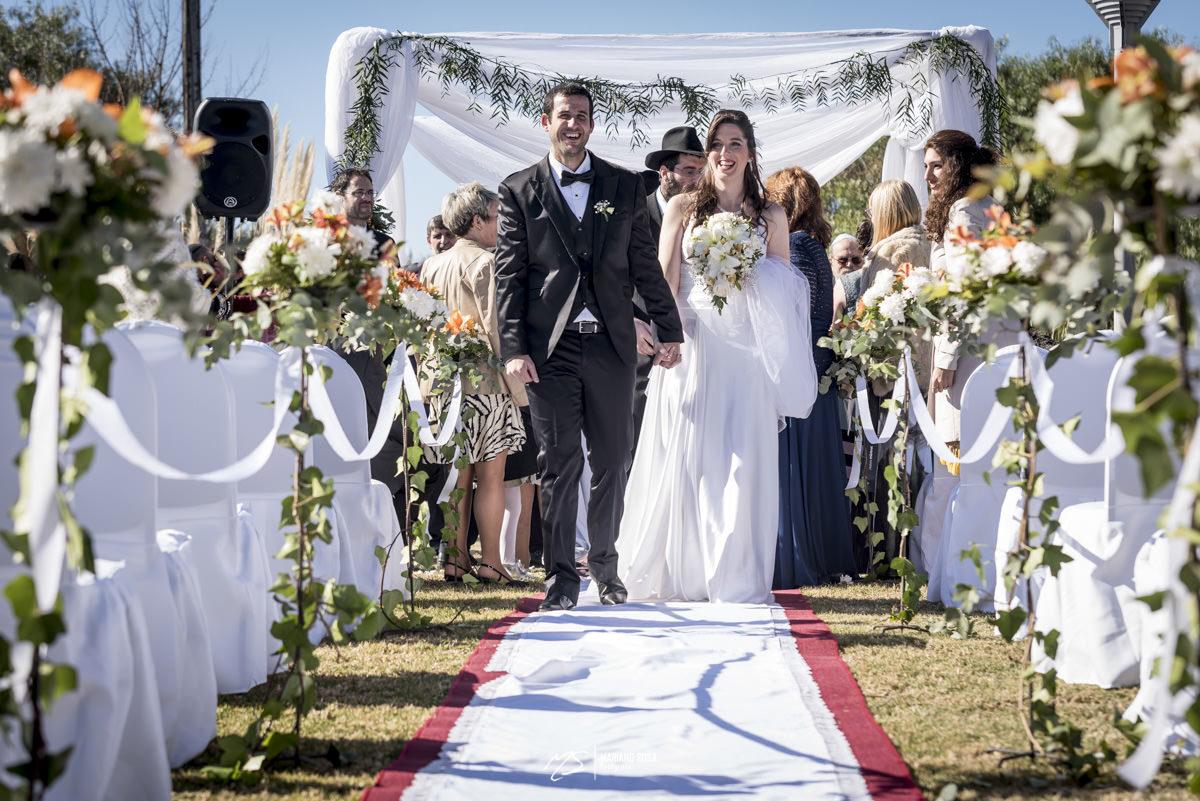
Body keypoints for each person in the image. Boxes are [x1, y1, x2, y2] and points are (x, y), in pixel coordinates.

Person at [495, 82, 683, 611]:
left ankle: (605, 566)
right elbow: (508, 277)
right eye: (563, 116)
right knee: (558, 464)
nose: (572, 124)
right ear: (545, 122)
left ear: (592, 124)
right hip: (547, 352)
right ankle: (560, 578)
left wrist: (668, 330)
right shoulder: (518, 189)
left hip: (611, 346)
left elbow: (644, 264)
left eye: (581, 116)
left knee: (612, 460)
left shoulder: (623, 186)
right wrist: (514, 347)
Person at [617, 109, 818, 604]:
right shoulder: (683, 208)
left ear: (749, 151)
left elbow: (784, 289)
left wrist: (747, 279)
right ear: (707, 153)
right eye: (717, 145)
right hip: (692, 342)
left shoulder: (771, 215)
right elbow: (665, 276)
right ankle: (682, 570)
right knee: (687, 456)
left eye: (735, 144)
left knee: (740, 460)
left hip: (745, 350)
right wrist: (667, 336)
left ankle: (734, 571)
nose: (725, 154)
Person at [918, 130, 1013, 593]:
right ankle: (981, 569)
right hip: (1001, 348)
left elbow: (962, 289)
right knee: (989, 463)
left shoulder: (962, 211)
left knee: (955, 463)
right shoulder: (991, 206)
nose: (928, 174)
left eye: (936, 164)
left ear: (957, 164)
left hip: (971, 351)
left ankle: (952, 574)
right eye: (925, 165)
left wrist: (947, 357)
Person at [423, 182, 530, 585]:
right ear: (476, 220)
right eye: (497, 215)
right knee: (490, 477)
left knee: (456, 477)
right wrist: (519, 392)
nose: (501, 223)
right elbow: (499, 331)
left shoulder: (432, 265)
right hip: (483, 385)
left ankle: (453, 559)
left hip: (442, 385)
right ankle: (491, 562)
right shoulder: (485, 263)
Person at [763, 167, 857, 588]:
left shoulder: (797, 246)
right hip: (812, 373)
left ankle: (792, 556)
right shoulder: (815, 245)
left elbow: (793, 313)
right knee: (812, 471)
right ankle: (817, 552)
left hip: (795, 373)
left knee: (790, 468)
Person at [331, 168, 396, 261]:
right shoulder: (327, 239)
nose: (367, 198)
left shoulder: (386, 244)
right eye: (359, 192)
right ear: (339, 197)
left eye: (370, 193)